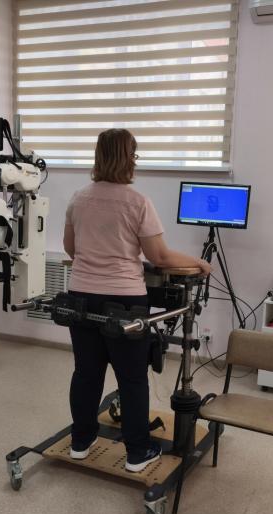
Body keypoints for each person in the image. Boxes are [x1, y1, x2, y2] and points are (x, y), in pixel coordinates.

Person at [63, 128, 211, 473]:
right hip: (125, 301)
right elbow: (159, 257)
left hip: (81, 297)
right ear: (128, 158)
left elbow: (71, 249)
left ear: (99, 157)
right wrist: (199, 262)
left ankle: (81, 442)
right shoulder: (137, 202)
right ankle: (137, 452)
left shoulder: (78, 199)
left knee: (86, 373)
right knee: (131, 379)